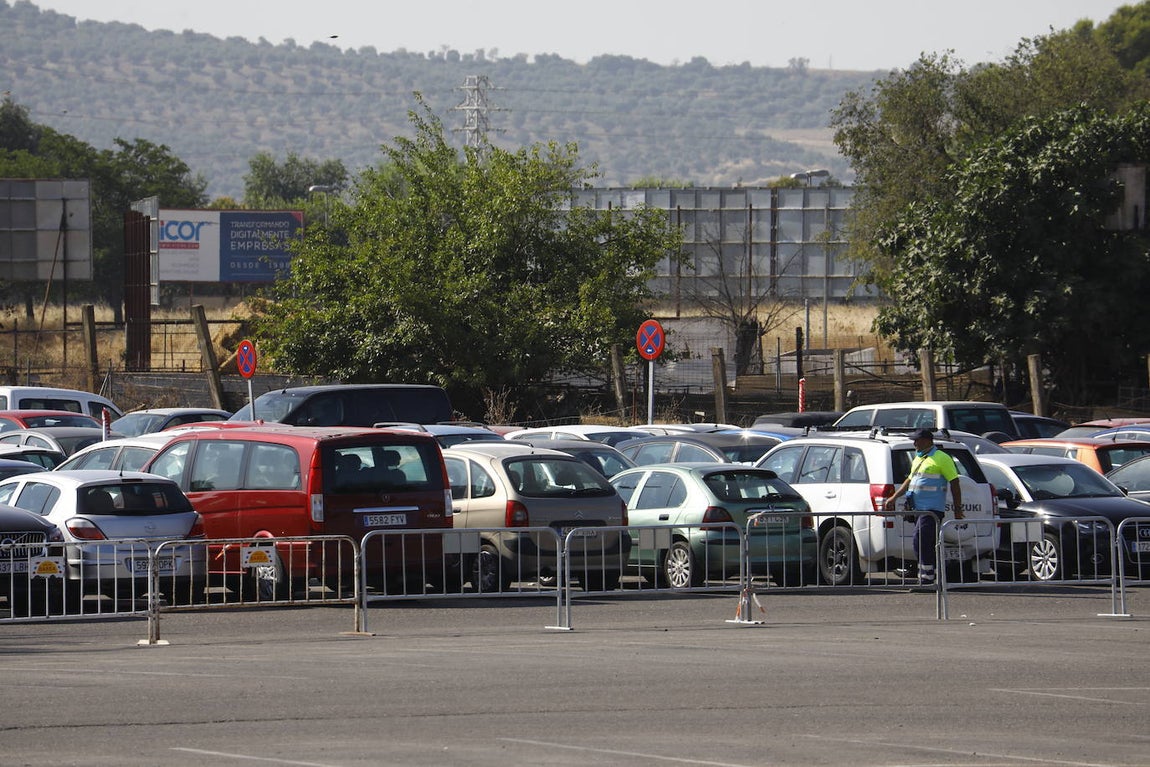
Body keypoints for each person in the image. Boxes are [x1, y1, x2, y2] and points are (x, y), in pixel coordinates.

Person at [882, 427, 964, 586]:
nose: (914, 443)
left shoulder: (942, 458)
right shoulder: (919, 458)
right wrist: (893, 497)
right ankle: (926, 576)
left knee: (921, 539)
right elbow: (910, 481)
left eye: (917, 440)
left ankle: (927, 579)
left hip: (932, 509)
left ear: (927, 441)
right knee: (920, 542)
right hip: (917, 509)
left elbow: (955, 483)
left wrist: (957, 509)